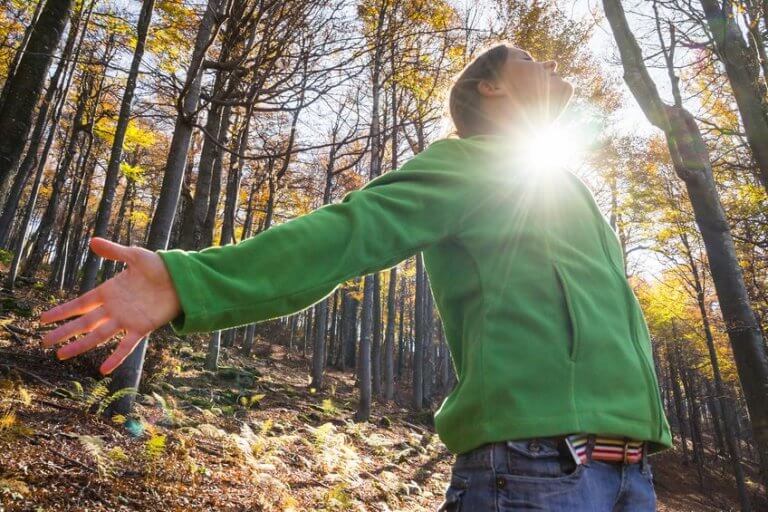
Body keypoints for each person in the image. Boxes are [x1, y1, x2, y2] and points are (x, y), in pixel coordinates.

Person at [38, 42, 672, 511]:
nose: (549, 66)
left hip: (632, 477)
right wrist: (193, 280)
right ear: (491, 89)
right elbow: (349, 232)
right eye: (530, 58)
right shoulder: (473, 164)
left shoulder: (566, 187)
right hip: (537, 469)